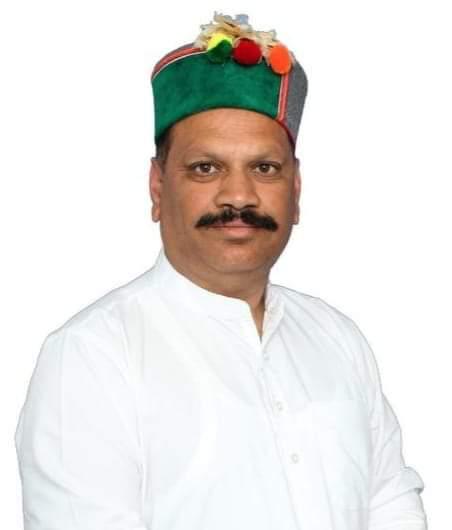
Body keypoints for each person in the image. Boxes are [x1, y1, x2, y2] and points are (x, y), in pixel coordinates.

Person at [14, 11, 427, 530]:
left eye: (264, 168)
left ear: (296, 191)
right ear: (158, 188)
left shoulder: (336, 338)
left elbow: (392, 505)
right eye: (205, 168)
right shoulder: (92, 356)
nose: (239, 196)